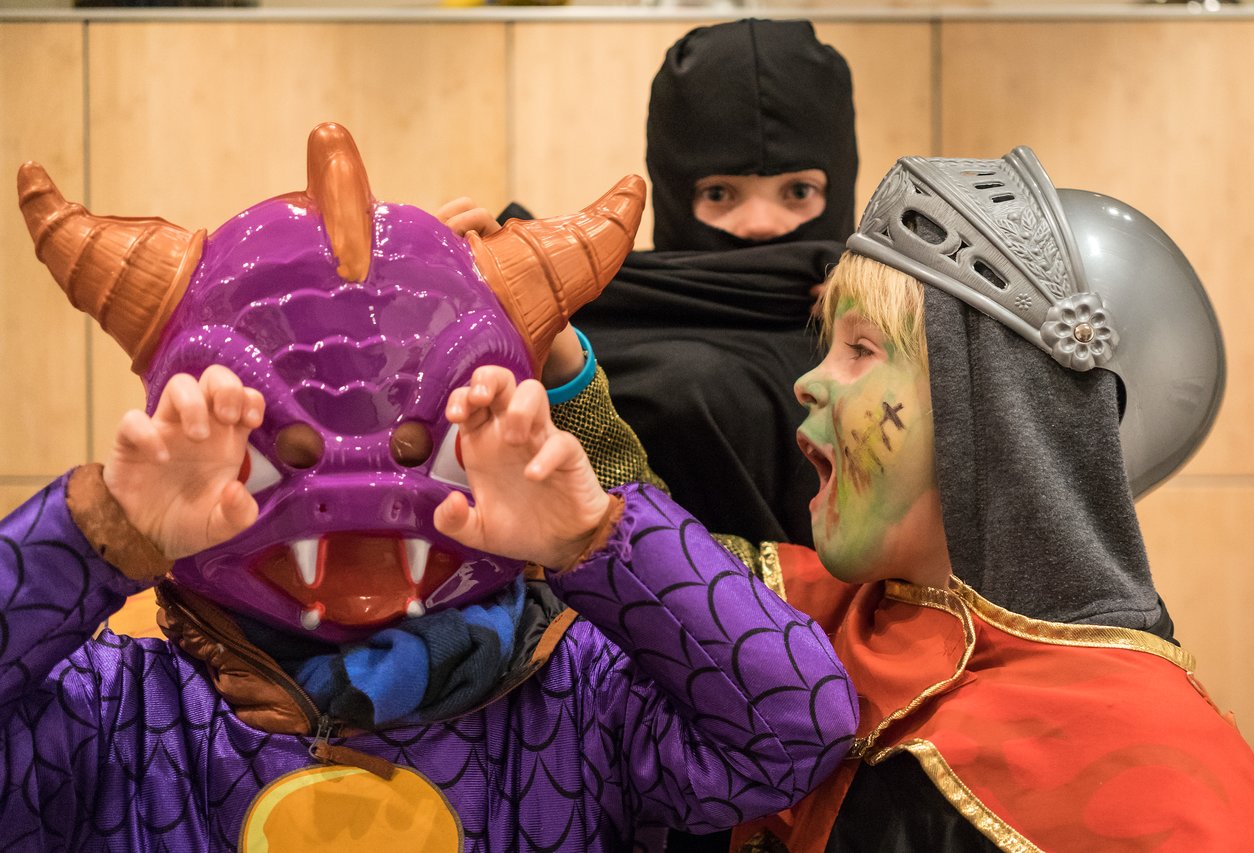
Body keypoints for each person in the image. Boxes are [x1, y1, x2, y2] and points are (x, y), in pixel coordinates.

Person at [0, 123, 858, 851]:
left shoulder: (573, 694)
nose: (358, 496)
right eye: (289, 453)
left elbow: (795, 727)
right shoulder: (117, 715)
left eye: (414, 446)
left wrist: (599, 541)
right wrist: (98, 531)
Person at [711, 146, 1254, 850]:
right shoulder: (829, 617)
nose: (808, 382)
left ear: (997, 411)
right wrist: (568, 384)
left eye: (861, 348)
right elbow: (645, 575)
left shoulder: (1159, 770)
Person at [570, 17, 859, 550]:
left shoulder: (899, 330)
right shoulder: (587, 315)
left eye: (798, 190)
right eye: (720, 194)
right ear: (674, 192)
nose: (761, 225)